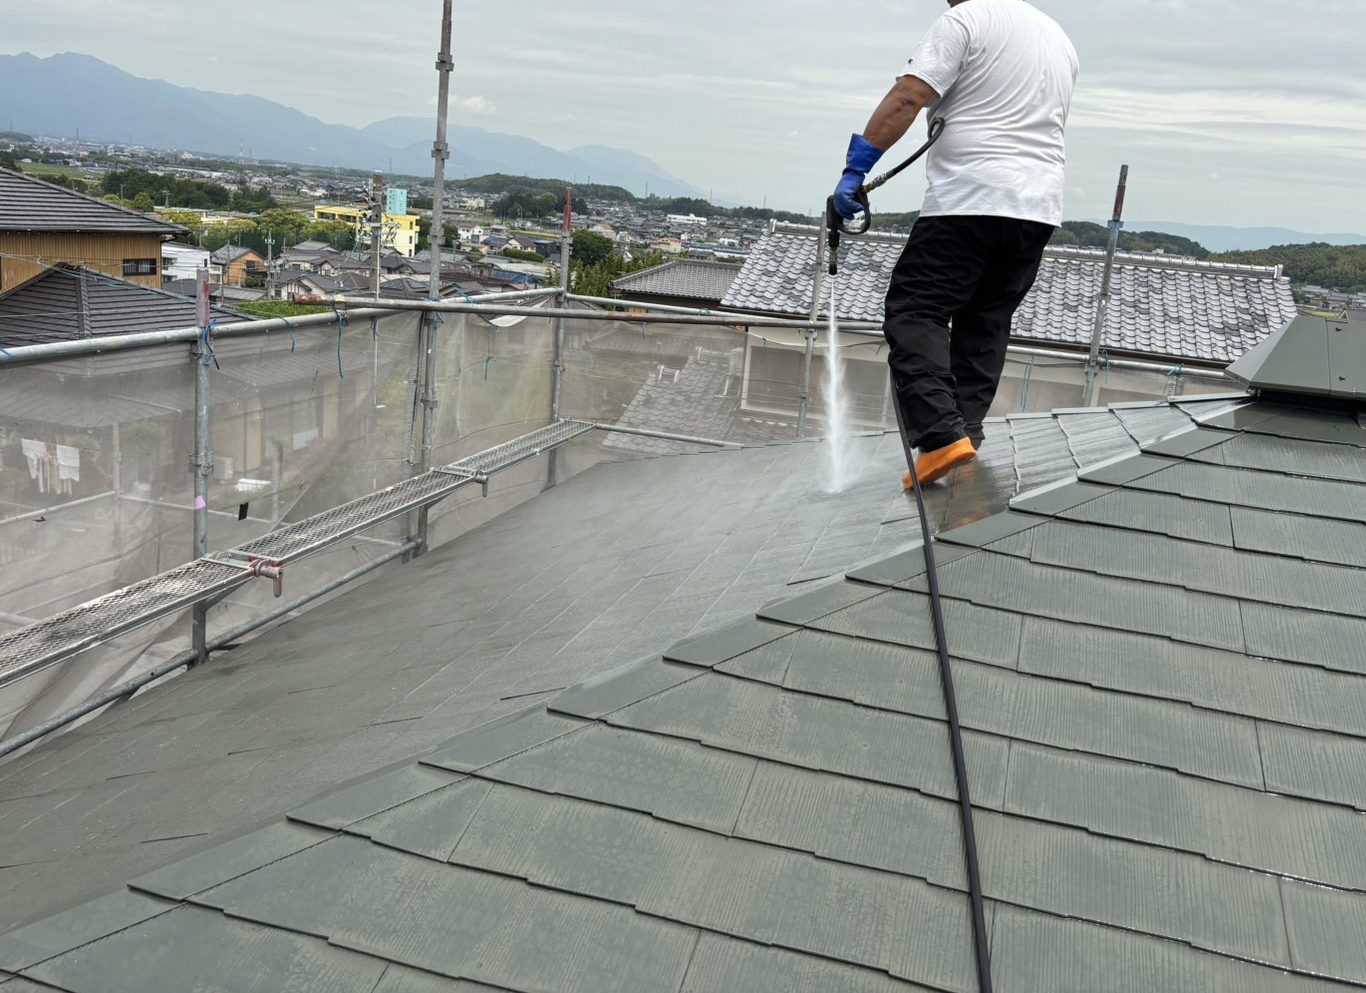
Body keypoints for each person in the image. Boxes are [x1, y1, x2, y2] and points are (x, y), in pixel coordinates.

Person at [832, 0, 1078, 489]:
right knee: (984, 323)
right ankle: (962, 439)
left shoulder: (965, 21)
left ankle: (942, 438)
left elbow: (909, 96)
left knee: (915, 310)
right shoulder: (1057, 37)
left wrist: (857, 168)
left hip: (970, 196)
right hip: (1037, 206)